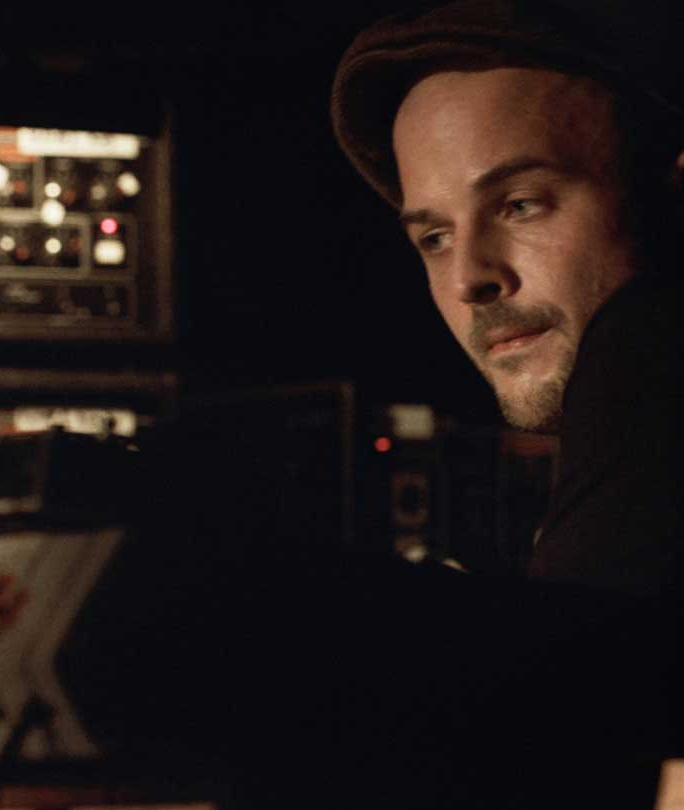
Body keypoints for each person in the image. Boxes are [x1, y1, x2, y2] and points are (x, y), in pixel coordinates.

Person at [326, 0, 682, 805]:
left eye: (520, 204)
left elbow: (562, 754)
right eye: (434, 238)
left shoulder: (649, 337)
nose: (469, 279)